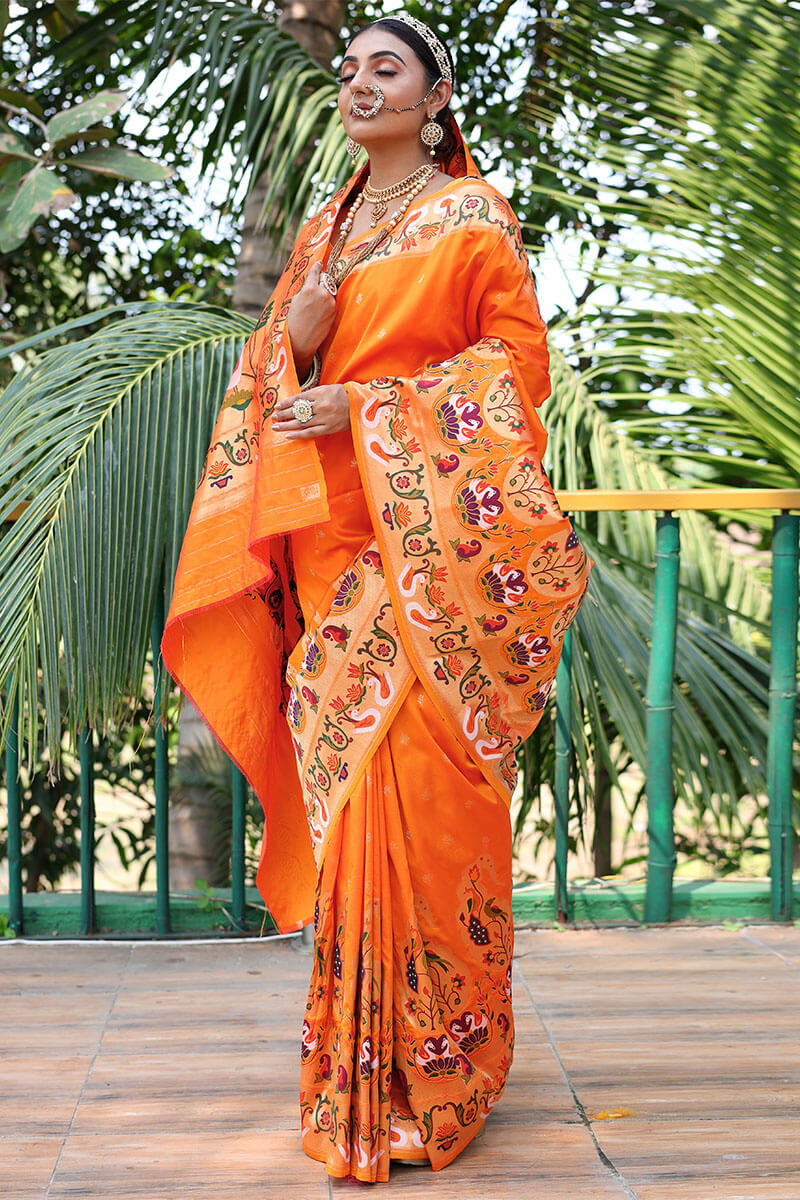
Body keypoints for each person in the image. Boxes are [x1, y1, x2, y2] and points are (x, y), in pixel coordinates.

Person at [161, 11, 591, 1186]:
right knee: (352, 812)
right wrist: (294, 350)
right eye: (348, 68)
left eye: (384, 68)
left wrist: (363, 408)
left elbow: (516, 376)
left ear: (434, 96)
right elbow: (272, 376)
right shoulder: (321, 231)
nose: (357, 83)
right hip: (327, 552)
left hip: (427, 558)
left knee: (423, 803)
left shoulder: (472, 219)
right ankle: (353, 1071)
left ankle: (445, 1069)